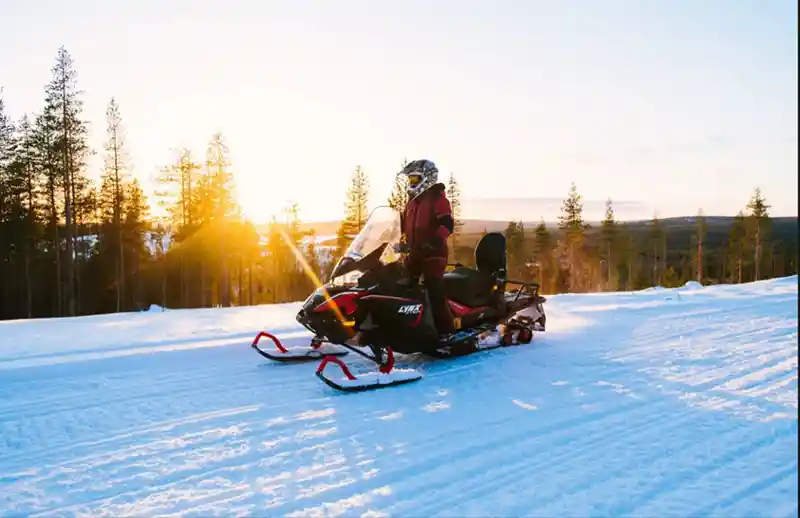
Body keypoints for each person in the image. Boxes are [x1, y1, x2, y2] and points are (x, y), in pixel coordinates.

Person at [395, 159, 456, 336]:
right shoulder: (412, 203)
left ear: (427, 178)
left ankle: (446, 331)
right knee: (400, 284)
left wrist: (436, 239)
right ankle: (408, 325)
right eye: (410, 180)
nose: (411, 183)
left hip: (434, 253)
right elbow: (404, 228)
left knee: (432, 287)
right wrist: (399, 242)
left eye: (414, 179)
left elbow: (447, 224)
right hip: (415, 253)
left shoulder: (437, 198)